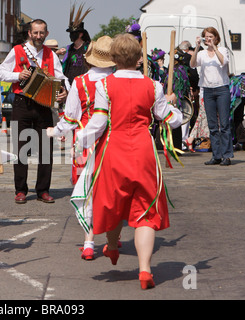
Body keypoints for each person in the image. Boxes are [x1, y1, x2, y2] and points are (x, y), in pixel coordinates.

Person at [70, 33, 182, 290]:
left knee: (112, 201)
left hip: (114, 149)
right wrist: (174, 108)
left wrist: (80, 140)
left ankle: (110, 245)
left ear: (113, 58)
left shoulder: (104, 86)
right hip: (143, 151)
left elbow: (97, 123)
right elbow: (170, 119)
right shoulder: (153, 86)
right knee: (146, 211)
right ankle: (144, 270)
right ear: (139, 58)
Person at [47, 36, 116, 261]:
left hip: (85, 140)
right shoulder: (117, 81)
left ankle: (89, 241)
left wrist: (55, 131)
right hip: (113, 140)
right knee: (110, 188)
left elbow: (70, 116)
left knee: (86, 189)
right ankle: (112, 237)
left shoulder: (80, 82)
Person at [0, 18, 69, 204]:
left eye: (41, 33)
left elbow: (61, 77)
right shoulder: (17, 50)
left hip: (44, 106)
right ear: (29, 33)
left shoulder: (50, 55)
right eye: (35, 33)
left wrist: (64, 91)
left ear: (47, 33)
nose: (38, 36)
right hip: (22, 103)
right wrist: (17, 75)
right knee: (21, 150)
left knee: (45, 150)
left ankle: (43, 190)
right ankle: (20, 190)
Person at [190, 27, 233, 166]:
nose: (208, 39)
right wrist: (196, 47)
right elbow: (192, 64)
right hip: (207, 90)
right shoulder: (202, 54)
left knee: (224, 124)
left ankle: (227, 155)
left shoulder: (222, 50)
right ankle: (216, 155)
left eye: (210, 36)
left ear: (216, 38)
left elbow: (224, 62)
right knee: (212, 125)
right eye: (206, 37)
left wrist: (214, 47)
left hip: (221, 89)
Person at [61, 4, 93, 85]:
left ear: (81, 34)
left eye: (73, 33)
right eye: (70, 33)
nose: (71, 35)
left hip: (84, 84)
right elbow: (64, 67)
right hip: (69, 85)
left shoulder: (88, 48)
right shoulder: (69, 49)